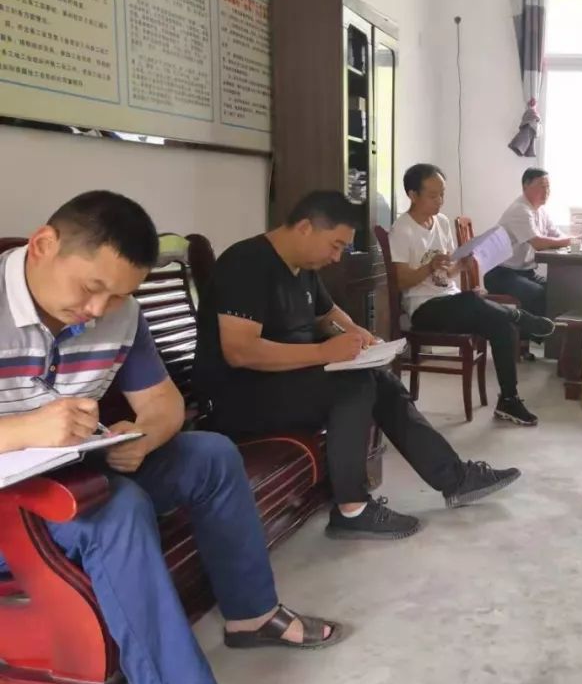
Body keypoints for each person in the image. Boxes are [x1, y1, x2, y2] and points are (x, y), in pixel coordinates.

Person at [0, 191, 340, 684]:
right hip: (12, 503)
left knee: (209, 456)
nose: (98, 310)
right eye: (91, 288)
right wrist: (24, 430)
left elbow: (163, 403)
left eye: (118, 294)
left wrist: (143, 436)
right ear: (43, 245)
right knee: (116, 507)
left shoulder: (120, 314)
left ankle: (252, 614)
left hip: (74, 470)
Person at [194, 190, 522, 541]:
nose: (336, 257)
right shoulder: (246, 263)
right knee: (353, 385)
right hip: (241, 397)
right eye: (335, 245)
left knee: (379, 379)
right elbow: (240, 351)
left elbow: (327, 314)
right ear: (305, 228)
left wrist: (357, 333)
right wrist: (324, 353)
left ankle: (455, 478)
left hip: (285, 383)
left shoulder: (301, 266)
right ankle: (352, 508)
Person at [390, 163, 556, 426]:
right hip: (423, 308)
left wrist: (461, 265)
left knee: (501, 325)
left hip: (452, 300)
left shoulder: (442, 222)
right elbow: (401, 281)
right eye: (433, 195)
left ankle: (509, 400)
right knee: (472, 300)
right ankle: (520, 316)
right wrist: (429, 267)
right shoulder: (402, 229)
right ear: (412, 195)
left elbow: (448, 272)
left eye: (442, 194)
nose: (440, 201)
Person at [484, 167, 571, 321]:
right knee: (535, 293)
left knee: (558, 290)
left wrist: (572, 240)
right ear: (525, 186)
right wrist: (568, 241)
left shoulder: (541, 211)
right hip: (501, 273)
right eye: (541, 186)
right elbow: (538, 243)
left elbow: (557, 234)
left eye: (548, 187)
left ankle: (552, 332)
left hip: (525, 272)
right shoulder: (520, 210)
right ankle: (527, 333)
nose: (546, 191)